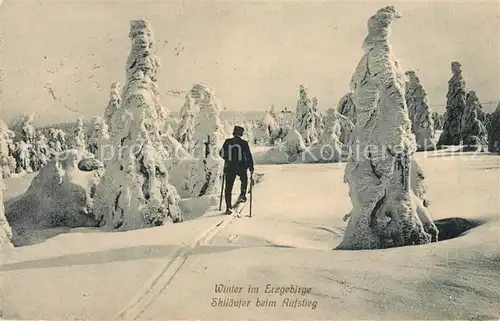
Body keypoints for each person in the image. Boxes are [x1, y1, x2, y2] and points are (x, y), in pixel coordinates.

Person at [219, 125, 254, 214]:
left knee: (228, 188)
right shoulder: (244, 143)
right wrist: (251, 167)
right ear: (241, 133)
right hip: (241, 167)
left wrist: (227, 159)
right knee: (244, 180)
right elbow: (248, 156)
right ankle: (242, 195)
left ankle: (228, 207)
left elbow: (221, 153)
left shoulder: (227, 142)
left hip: (229, 167)